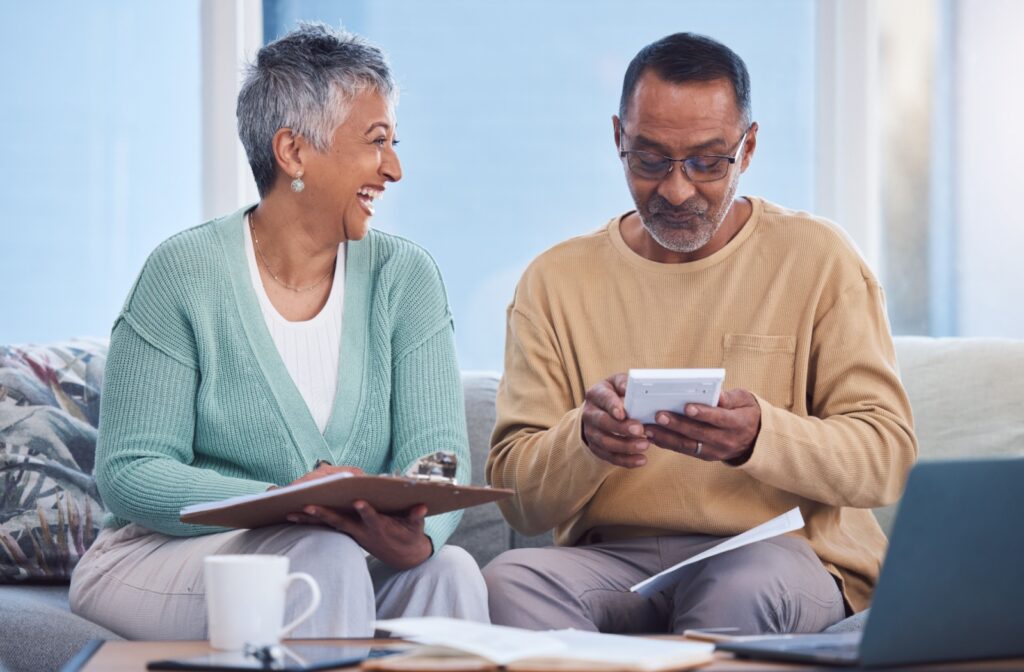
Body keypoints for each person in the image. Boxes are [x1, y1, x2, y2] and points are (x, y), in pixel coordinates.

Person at [483, 32, 917, 635]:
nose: (677, 189)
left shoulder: (818, 260)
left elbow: (886, 458)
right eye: (650, 159)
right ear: (618, 139)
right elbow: (519, 498)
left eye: (708, 162)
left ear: (749, 148)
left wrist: (762, 435)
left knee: (738, 588)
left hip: (778, 553)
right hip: (614, 562)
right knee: (506, 582)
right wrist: (584, 442)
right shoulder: (554, 282)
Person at [70, 23, 488, 639]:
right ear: (292, 152)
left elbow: (437, 460)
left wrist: (417, 539)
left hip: (339, 553)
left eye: (394, 142)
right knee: (322, 558)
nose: (394, 168)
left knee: (451, 573)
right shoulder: (182, 273)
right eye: (376, 142)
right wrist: (283, 499)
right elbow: (131, 471)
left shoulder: (408, 278)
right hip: (162, 554)